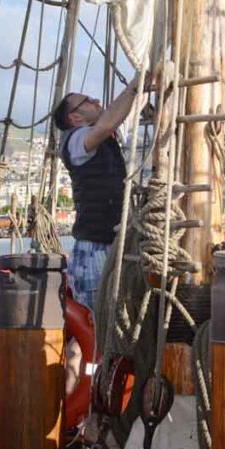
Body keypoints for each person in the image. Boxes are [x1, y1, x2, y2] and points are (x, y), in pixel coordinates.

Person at [52, 71, 154, 310]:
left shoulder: (107, 137)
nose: (97, 101)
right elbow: (110, 120)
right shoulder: (75, 141)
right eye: (87, 101)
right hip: (94, 251)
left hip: (116, 244)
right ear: (75, 117)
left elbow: (121, 113)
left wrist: (146, 84)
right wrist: (134, 85)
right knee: (99, 324)